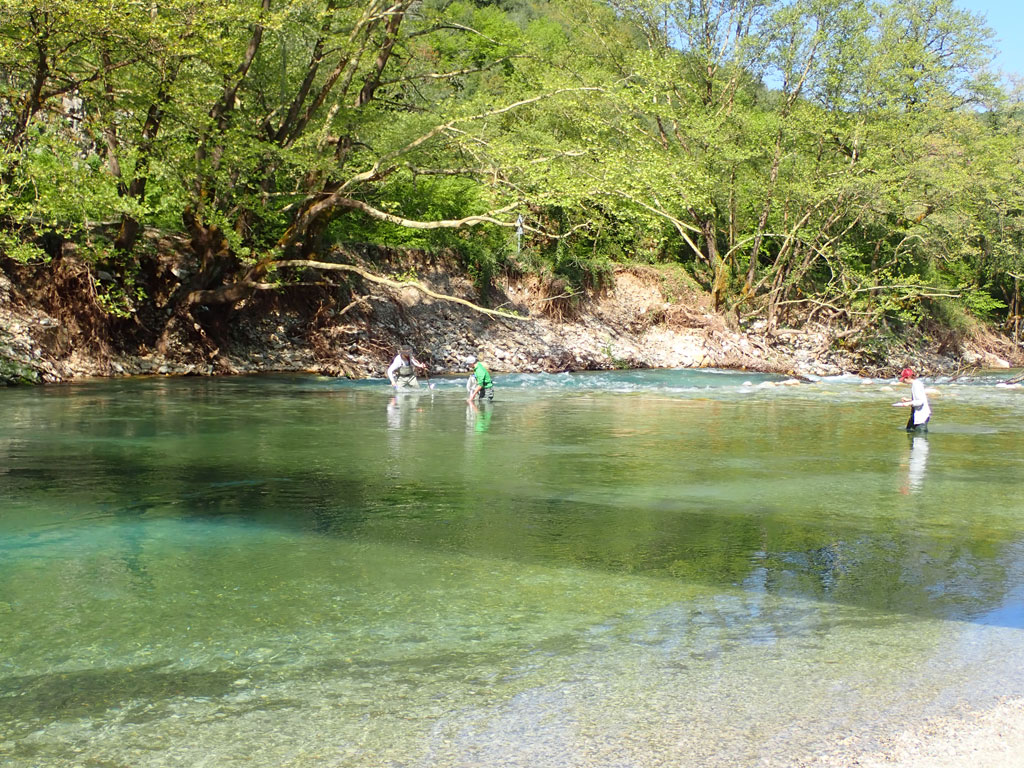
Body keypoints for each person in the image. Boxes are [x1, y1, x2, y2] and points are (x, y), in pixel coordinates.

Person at [893, 367, 931, 431]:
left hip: (921, 416)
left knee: (919, 436)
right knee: (908, 430)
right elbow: (920, 398)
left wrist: (907, 403)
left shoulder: (916, 385)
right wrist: (909, 400)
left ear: (908, 377)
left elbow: (920, 402)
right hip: (916, 414)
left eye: (904, 379)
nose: (903, 381)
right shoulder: (916, 383)